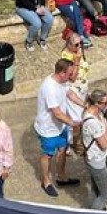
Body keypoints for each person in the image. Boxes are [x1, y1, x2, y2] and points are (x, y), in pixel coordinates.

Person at [34, 58, 84, 198]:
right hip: (48, 129)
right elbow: (56, 113)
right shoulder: (49, 87)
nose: (72, 76)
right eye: (70, 74)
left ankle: (61, 177)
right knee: (47, 154)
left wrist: (84, 104)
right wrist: (73, 123)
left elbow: (70, 93)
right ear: (62, 73)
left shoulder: (62, 81)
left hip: (60, 127)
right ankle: (46, 181)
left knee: (62, 150)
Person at [81, 88, 107, 210]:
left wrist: (105, 131)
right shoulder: (93, 122)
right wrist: (104, 128)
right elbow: (105, 144)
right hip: (97, 162)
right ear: (97, 103)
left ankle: (92, 208)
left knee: (96, 188)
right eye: (105, 103)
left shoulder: (95, 113)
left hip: (93, 158)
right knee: (106, 194)